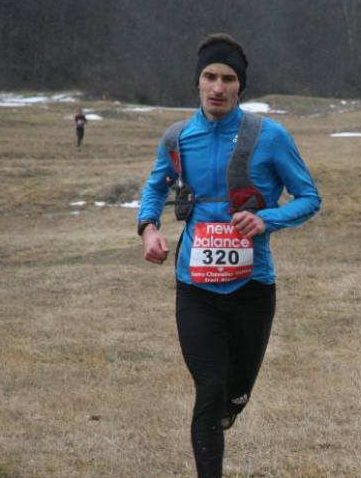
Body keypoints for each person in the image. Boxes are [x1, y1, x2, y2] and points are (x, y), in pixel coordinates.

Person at [137, 33, 321, 478]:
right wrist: (149, 228)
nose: (217, 87)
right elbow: (155, 187)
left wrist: (267, 220)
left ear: (241, 87)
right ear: (198, 82)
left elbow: (308, 197)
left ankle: (234, 403)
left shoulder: (270, 136)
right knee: (209, 387)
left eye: (227, 78)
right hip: (195, 287)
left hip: (252, 287)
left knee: (234, 392)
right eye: (209, 77)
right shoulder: (178, 138)